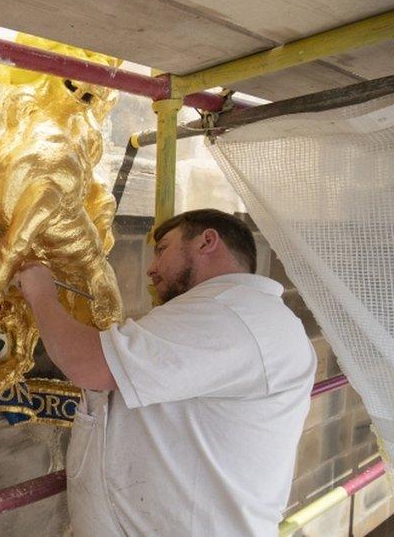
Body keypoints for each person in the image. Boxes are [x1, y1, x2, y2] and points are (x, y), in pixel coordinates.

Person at [16, 208, 315, 536]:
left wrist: (41, 293)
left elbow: (91, 365)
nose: (151, 269)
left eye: (162, 250)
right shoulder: (240, 314)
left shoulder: (230, 314)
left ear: (206, 242)